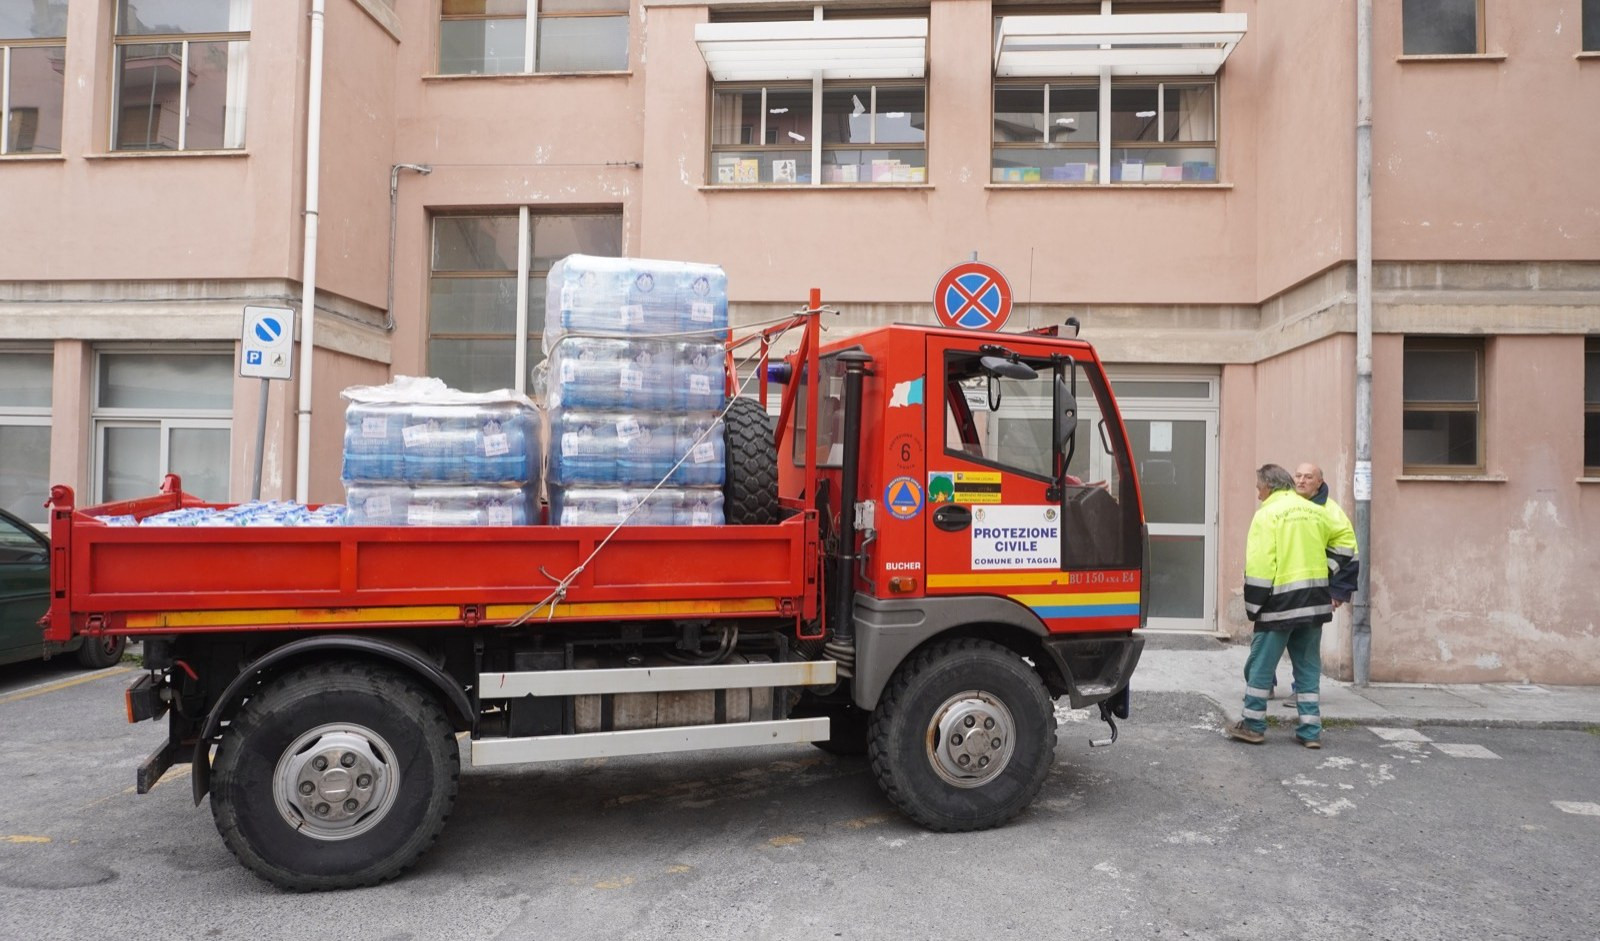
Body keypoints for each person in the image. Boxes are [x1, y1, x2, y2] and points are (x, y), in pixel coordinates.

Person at [1225, 464, 1350, 749]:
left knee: (1261, 667)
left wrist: (1254, 607)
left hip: (1279, 605)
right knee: (1307, 668)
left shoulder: (1266, 515)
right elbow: (1346, 542)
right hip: (1314, 604)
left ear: (1269, 487)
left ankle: (1253, 725)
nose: (1258, 495)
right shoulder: (1316, 510)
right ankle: (1310, 731)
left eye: (1259, 489)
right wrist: (1329, 572)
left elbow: (1260, 565)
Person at [1272, 462, 1360, 708]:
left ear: (1319, 482)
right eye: (1297, 476)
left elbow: (1350, 553)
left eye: (1308, 477)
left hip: (1314, 592)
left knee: (1305, 645)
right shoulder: (1286, 506)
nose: (1300, 481)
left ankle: (1302, 692)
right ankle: (1263, 685)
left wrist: (1337, 591)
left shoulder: (1331, 512)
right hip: (1283, 590)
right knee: (1269, 639)